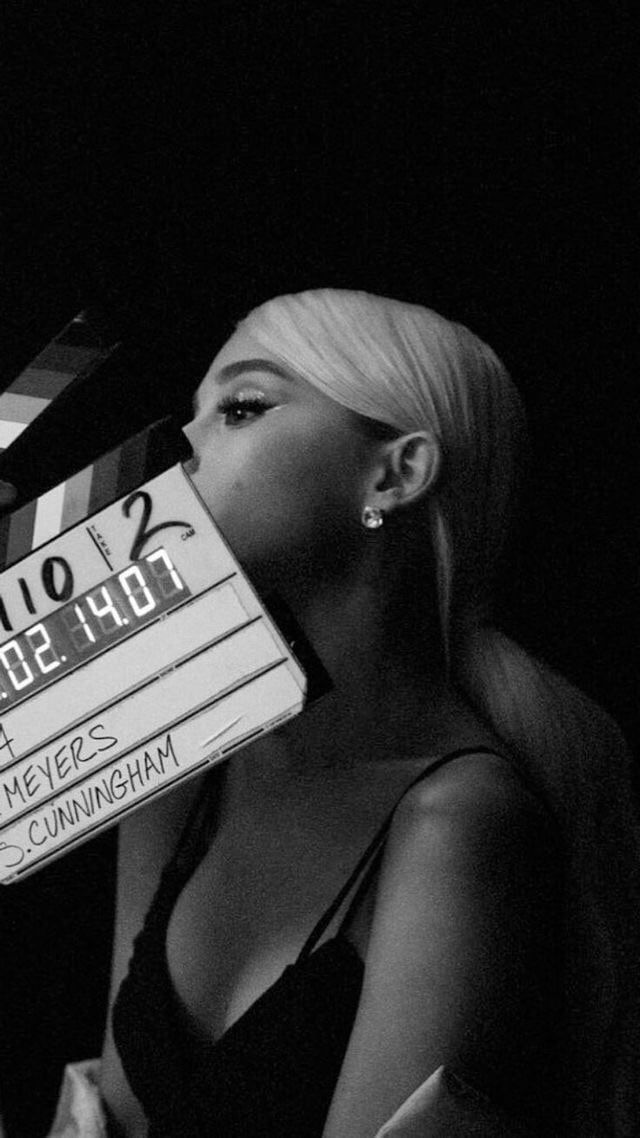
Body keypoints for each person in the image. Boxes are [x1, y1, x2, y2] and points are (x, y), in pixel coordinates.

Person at [14, 289, 640, 1135]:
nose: (179, 448)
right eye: (193, 418)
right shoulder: (180, 767)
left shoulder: (459, 821)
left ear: (395, 473)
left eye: (241, 407)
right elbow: (113, 1124)